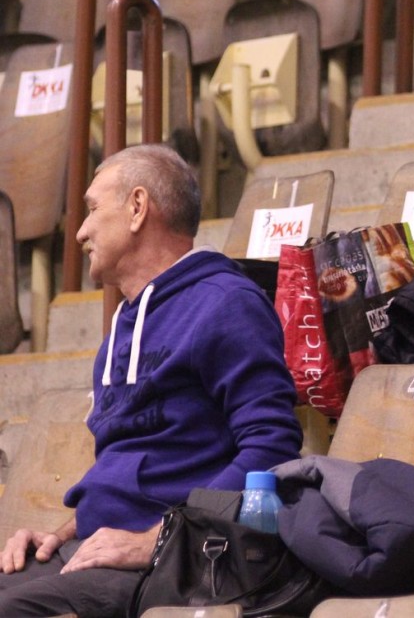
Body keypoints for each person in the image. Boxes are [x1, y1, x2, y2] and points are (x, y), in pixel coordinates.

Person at [0, 145, 302, 618]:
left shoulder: (226, 302)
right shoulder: (120, 329)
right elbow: (130, 472)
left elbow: (272, 447)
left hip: (173, 564)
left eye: (93, 209)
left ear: (138, 207)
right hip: (97, 551)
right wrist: (58, 535)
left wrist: (161, 540)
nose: (79, 231)